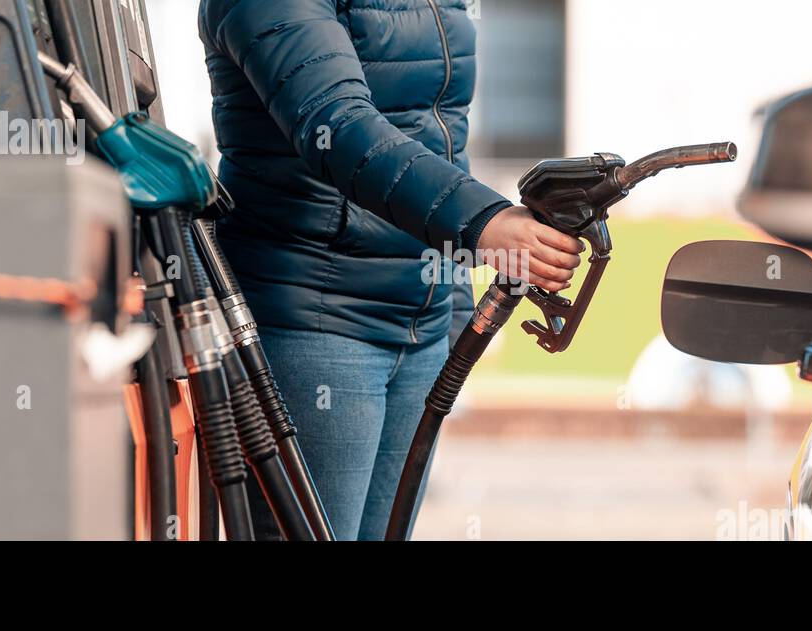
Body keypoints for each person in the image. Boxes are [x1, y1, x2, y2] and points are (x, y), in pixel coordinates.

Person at [198, 0, 584, 539]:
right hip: (318, 318)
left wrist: (452, 299)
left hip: (420, 325)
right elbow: (337, 123)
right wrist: (484, 223)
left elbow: (441, 135)